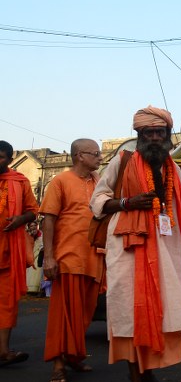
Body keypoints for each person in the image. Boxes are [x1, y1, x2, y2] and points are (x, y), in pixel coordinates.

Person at [89, 107, 181, 382]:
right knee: (129, 310)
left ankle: (146, 370)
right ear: (139, 135)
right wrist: (128, 203)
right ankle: (135, 373)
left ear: (167, 136)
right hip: (128, 247)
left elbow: (180, 209)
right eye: (148, 133)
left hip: (166, 247)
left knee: (163, 307)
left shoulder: (173, 167)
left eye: (159, 132)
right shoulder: (123, 160)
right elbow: (97, 201)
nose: (153, 137)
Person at [40, 139, 105, 380]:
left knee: (84, 314)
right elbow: (49, 219)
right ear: (79, 155)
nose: (100, 158)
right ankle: (58, 364)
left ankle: (73, 356)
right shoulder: (60, 181)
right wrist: (48, 256)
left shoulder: (99, 182)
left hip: (95, 257)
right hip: (68, 256)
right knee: (63, 313)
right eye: (95, 154)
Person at [0, 140, 38, 368]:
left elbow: (33, 211)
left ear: (10, 159)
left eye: (1, 157)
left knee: (6, 304)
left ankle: (3, 351)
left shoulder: (20, 182)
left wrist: (20, 219)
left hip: (7, 252)